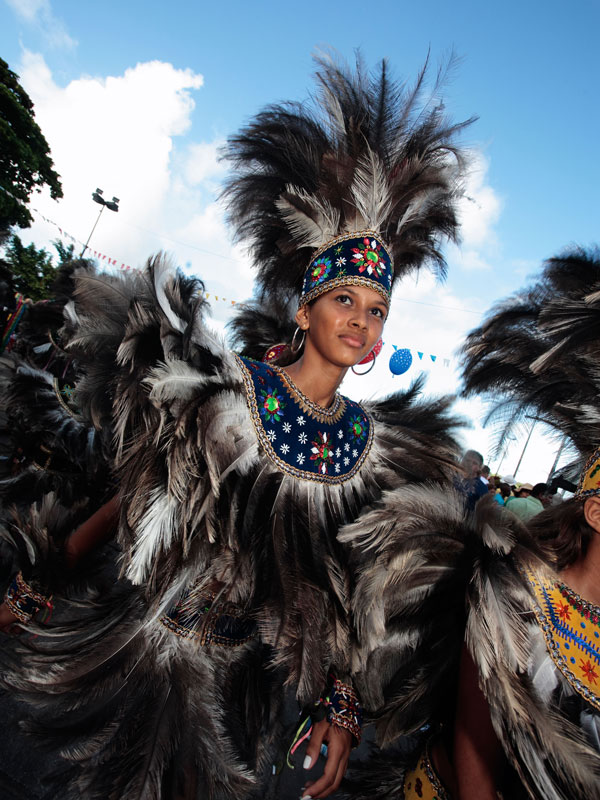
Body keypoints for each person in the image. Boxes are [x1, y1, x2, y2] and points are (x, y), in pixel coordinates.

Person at [0, 54, 471, 800]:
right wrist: (45, 575)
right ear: (304, 309)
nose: (360, 318)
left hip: (241, 697)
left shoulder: (380, 454)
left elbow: (354, 592)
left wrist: (341, 707)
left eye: (376, 309)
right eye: (344, 300)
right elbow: (139, 502)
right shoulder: (225, 392)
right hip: (141, 652)